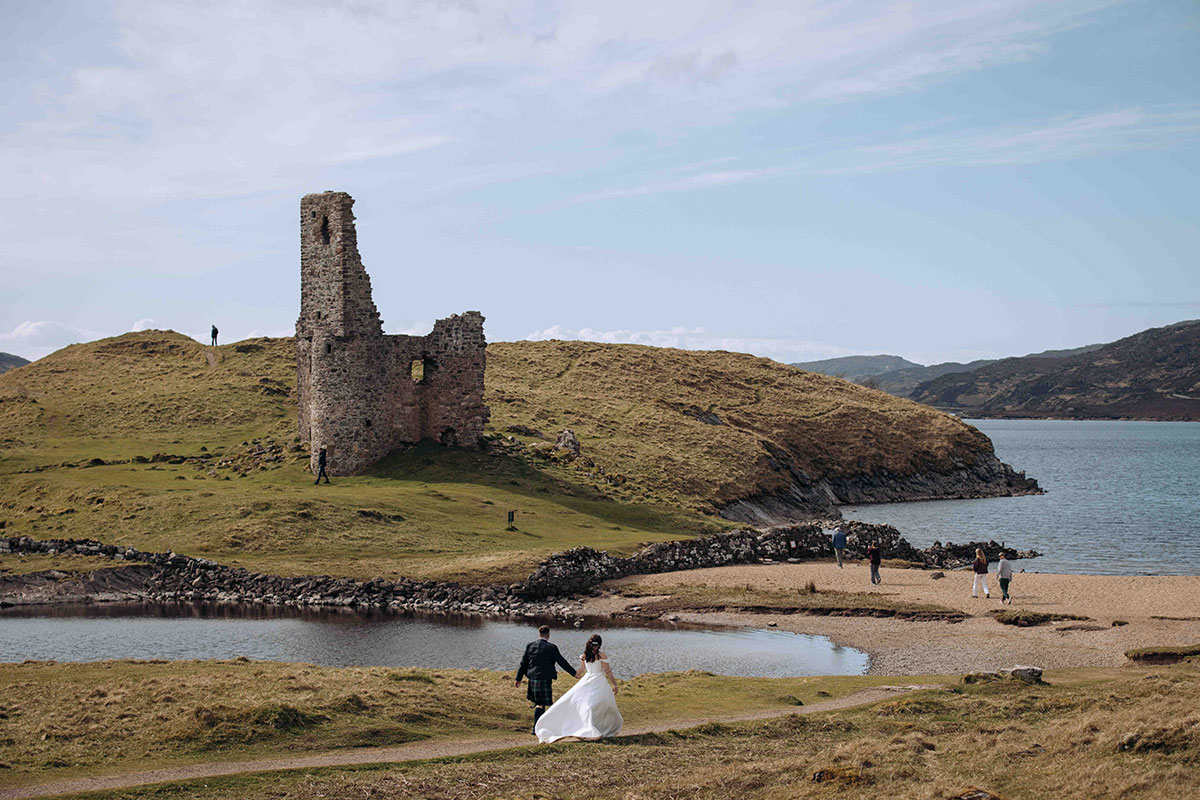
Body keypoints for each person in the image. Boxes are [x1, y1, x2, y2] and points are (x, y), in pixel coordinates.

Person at [535, 633, 623, 743]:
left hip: (588, 679)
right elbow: (607, 671)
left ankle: (595, 727)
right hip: (598, 680)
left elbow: (581, 669)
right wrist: (614, 684)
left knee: (592, 703)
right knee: (597, 704)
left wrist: (576, 675)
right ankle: (592, 728)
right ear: (599, 644)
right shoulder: (601, 655)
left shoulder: (585, 655)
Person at [515, 624, 578, 733]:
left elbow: (523, 663)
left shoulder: (530, 646)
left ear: (539, 634)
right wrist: (574, 673)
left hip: (533, 677)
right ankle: (536, 728)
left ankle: (539, 727)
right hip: (544, 678)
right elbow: (562, 662)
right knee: (540, 704)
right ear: (548, 635)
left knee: (539, 703)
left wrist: (518, 678)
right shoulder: (551, 647)